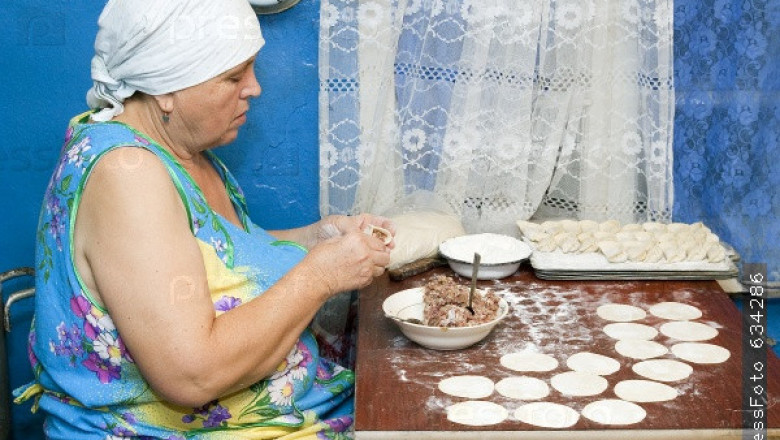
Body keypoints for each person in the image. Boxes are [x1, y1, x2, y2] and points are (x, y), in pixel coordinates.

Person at [13, 0, 394, 438]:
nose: (254, 89)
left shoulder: (184, 152)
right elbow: (190, 375)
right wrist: (321, 275)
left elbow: (211, 256)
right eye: (233, 76)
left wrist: (316, 238)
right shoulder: (126, 175)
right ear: (166, 88)